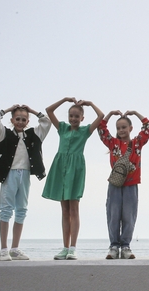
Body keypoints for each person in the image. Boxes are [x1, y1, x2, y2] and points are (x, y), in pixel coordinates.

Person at [42, 97, 104, 261]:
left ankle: (73, 248)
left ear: (82, 118)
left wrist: (90, 104)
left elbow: (101, 116)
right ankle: (65, 247)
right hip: (60, 168)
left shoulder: (85, 131)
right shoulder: (62, 128)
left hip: (75, 170)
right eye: (71, 116)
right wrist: (65, 100)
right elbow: (49, 110)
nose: (73, 119)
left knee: (74, 209)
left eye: (77, 116)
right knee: (64, 210)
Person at [0, 104, 51, 261]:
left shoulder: (33, 134)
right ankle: (3, 249)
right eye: (17, 119)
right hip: (8, 174)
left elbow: (46, 122)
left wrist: (31, 110)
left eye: (24, 119)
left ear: (28, 121)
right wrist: (8, 108)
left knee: (21, 210)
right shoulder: (3, 133)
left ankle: (15, 249)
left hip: (24, 175)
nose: (20, 122)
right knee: (5, 210)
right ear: (12, 120)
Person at [98, 110, 149, 260]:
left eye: (124, 127)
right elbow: (102, 129)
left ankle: (126, 246)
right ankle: (114, 246)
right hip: (115, 184)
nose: (121, 130)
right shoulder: (113, 143)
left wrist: (135, 113)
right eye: (118, 128)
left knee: (129, 216)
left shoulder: (137, 143)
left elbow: (148, 126)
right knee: (113, 215)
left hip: (131, 184)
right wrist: (109, 114)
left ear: (130, 128)